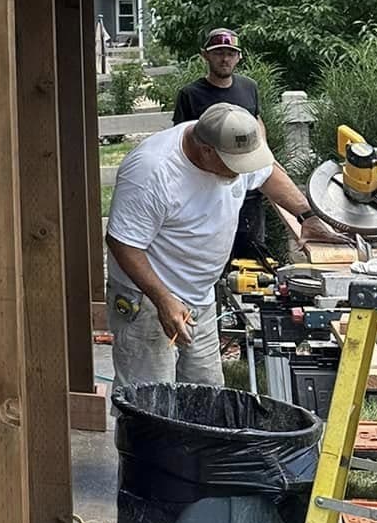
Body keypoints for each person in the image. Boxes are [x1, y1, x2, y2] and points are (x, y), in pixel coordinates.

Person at [106, 102, 332, 388]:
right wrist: (163, 299)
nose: (241, 172)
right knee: (148, 398)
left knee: (207, 391)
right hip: (147, 297)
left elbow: (267, 173)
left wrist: (307, 216)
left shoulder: (231, 147)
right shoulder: (152, 171)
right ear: (206, 151)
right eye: (235, 165)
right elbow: (123, 243)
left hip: (199, 295)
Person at [174, 27, 266, 260]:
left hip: (247, 190)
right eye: (218, 53)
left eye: (230, 53)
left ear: (239, 57)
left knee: (250, 257)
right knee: (209, 256)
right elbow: (181, 138)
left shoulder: (249, 87)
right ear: (205, 55)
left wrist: (265, 156)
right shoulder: (190, 94)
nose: (225, 59)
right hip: (207, 192)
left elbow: (257, 122)